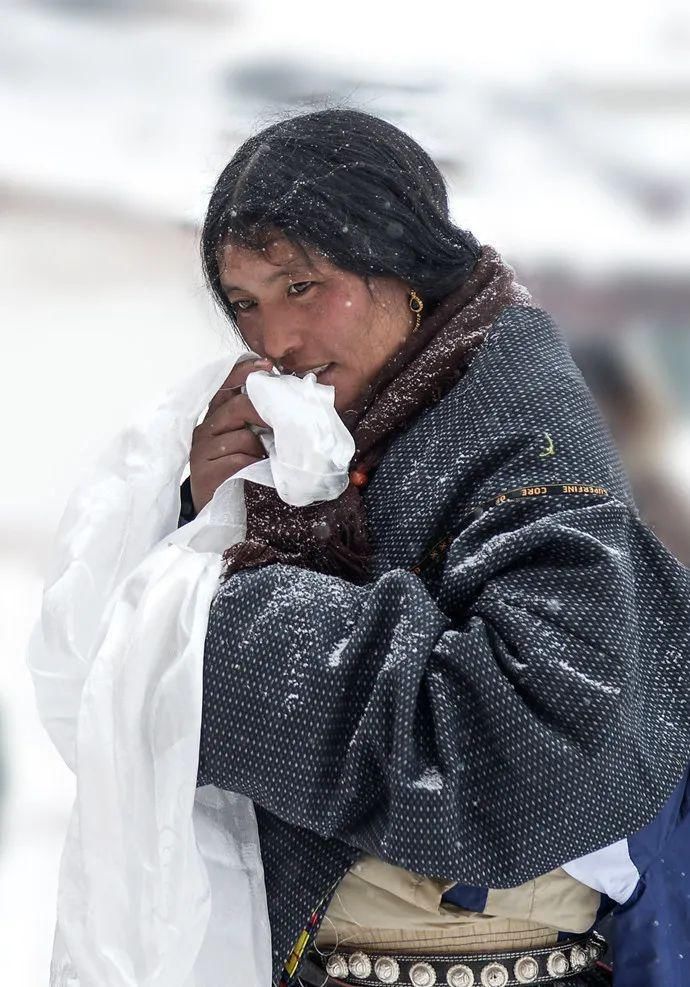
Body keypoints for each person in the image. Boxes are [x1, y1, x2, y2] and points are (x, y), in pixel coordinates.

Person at [180, 109, 690, 987]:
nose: (273, 341)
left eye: (301, 286)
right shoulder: (354, 431)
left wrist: (222, 616)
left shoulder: (524, 431)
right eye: (246, 304)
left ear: (402, 263)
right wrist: (208, 509)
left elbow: (527, 757)